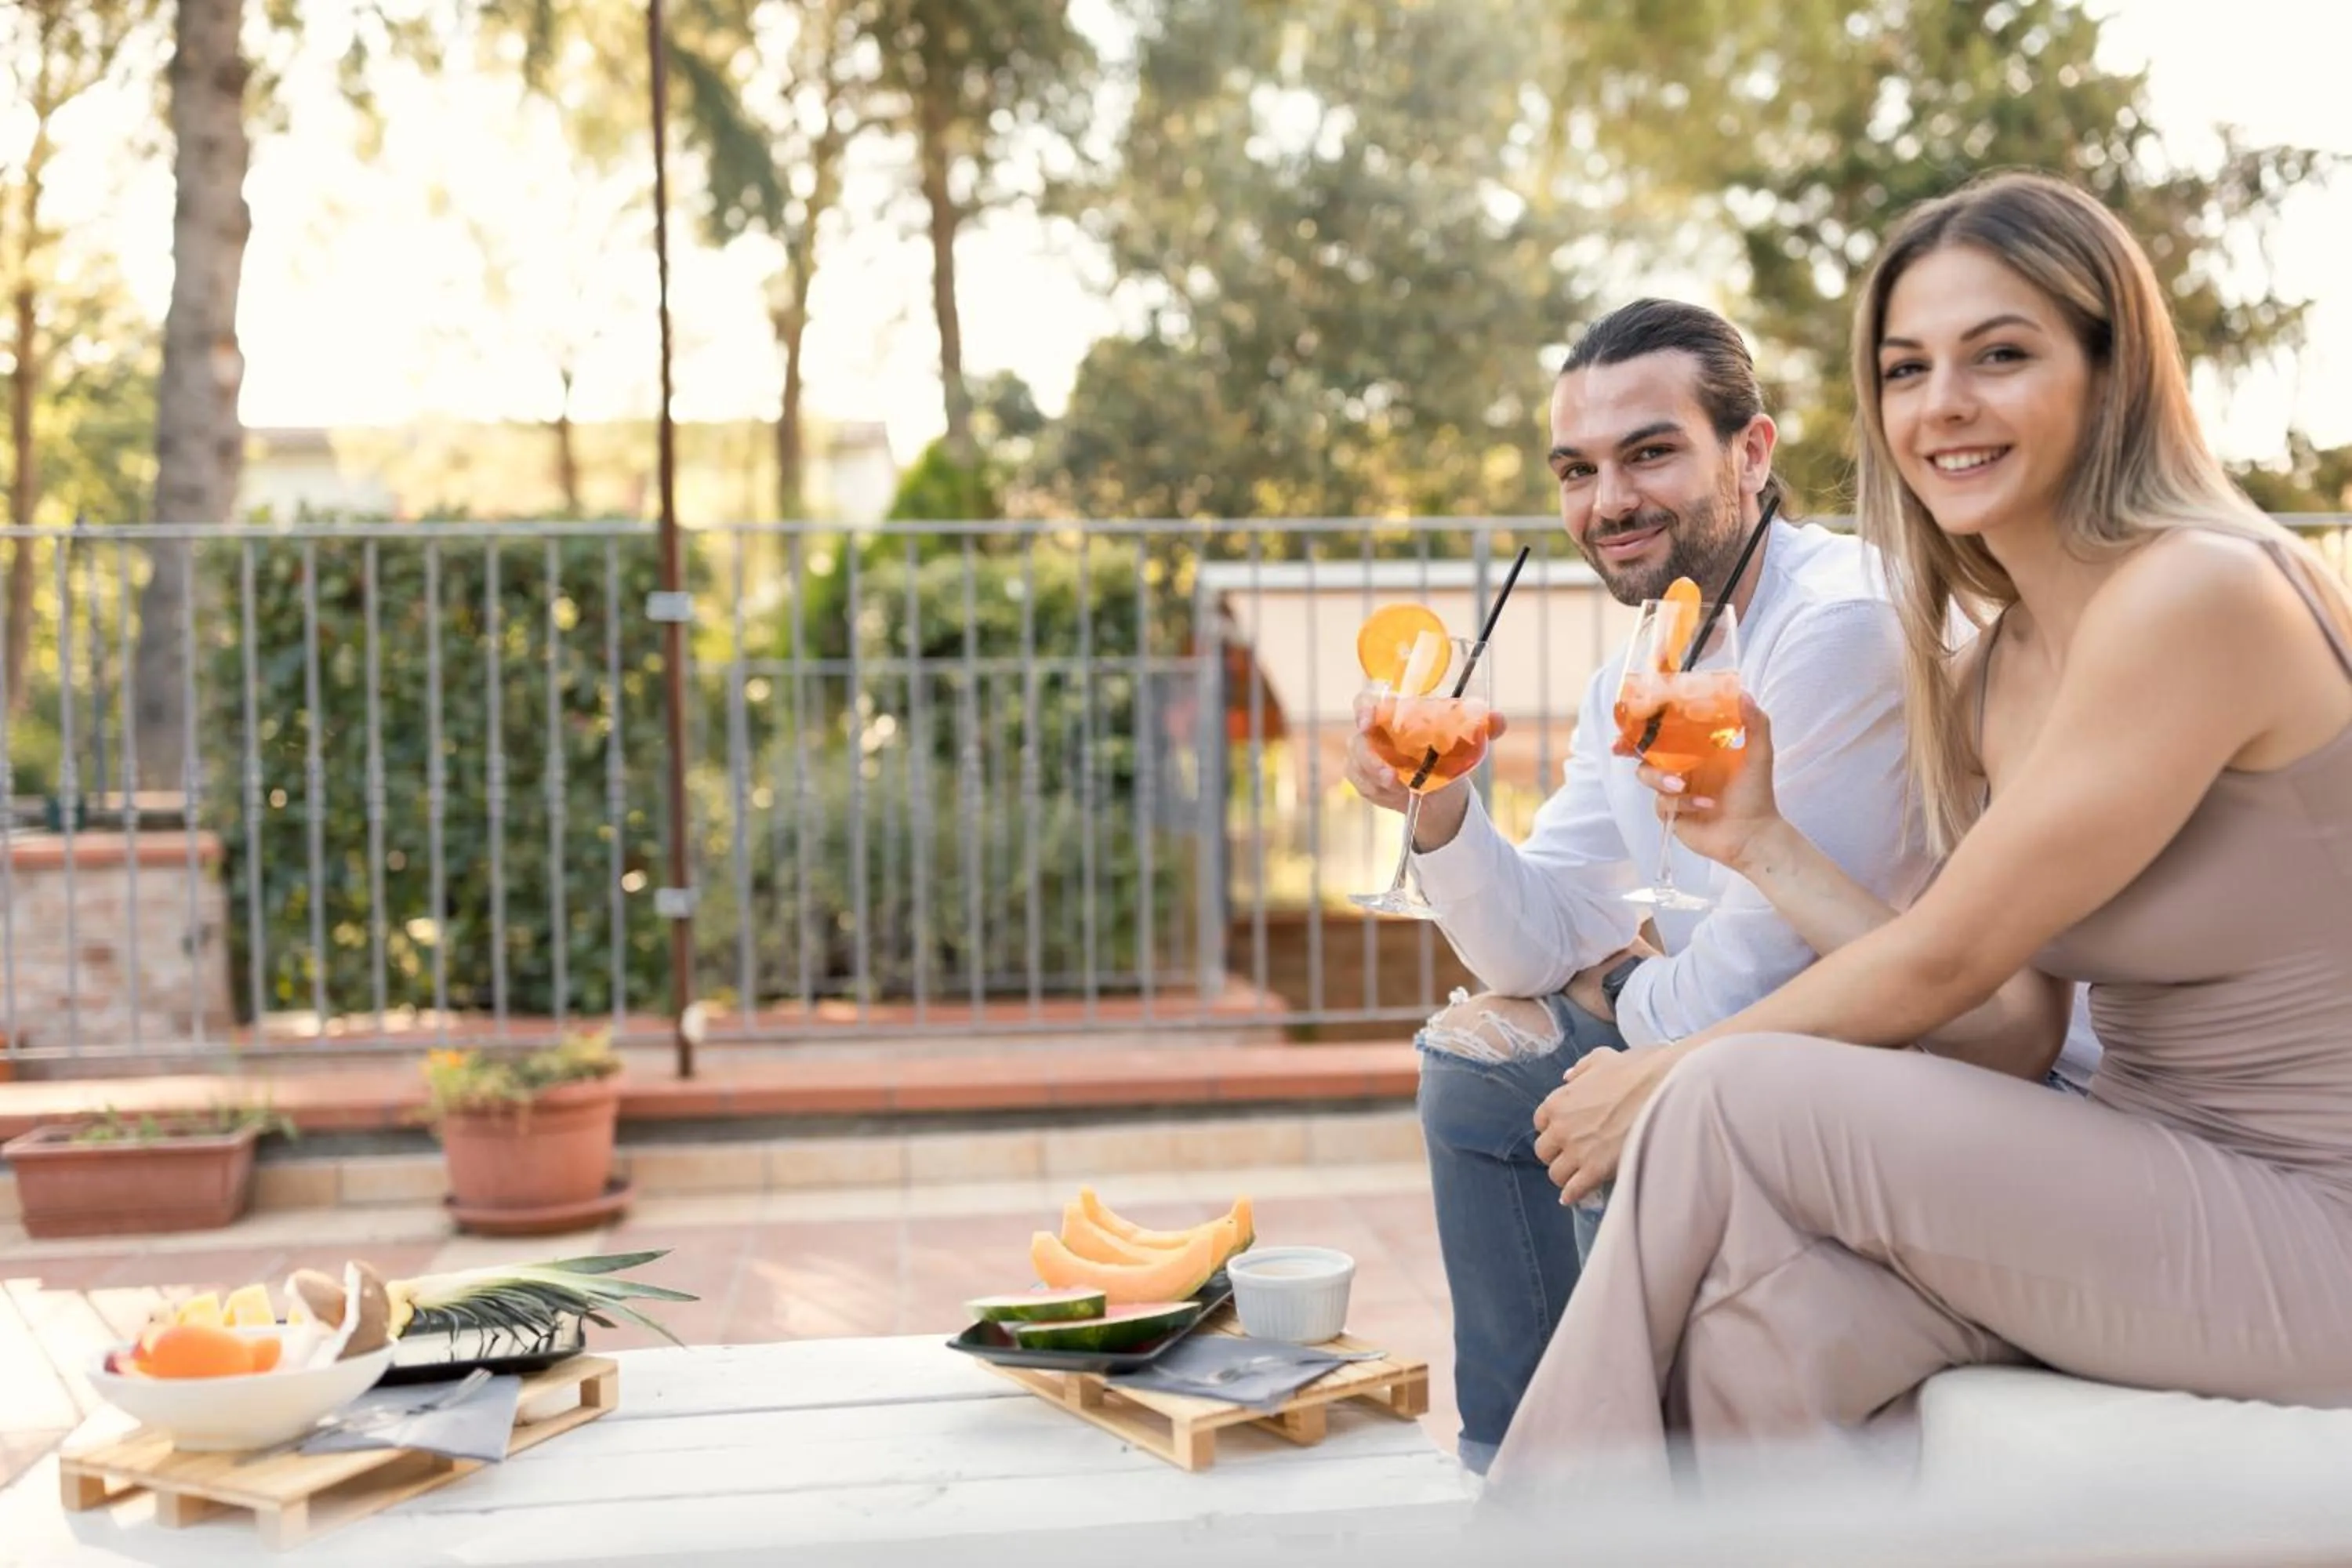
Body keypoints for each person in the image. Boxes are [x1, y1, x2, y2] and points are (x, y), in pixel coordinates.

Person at [1490, 169, 2352, 1498]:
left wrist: (1667, 1073)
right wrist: (1761, 842)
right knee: (1761, 1318)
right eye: (1905, 369)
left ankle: (1540, 1533)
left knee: (1730, 1098)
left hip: (2311, 1225)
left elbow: (1941, 962)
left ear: (2112, 373)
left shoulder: (2201, 592)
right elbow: (2005, 1027)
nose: (1941, 403)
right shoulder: (1999, 668)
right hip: (2143, 1164)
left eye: (1999, 355)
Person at [1346, 298, 2091, 1475]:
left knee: (1626, 1121)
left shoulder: (1839, 628)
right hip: (1785, 1047)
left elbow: (1754, 986)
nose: (1609, 502)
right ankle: (1514, 1471)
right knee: (1477, 1068)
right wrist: (1437, 807)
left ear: (1751, 452)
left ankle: (1637, 1491)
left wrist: (1616, 987)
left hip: (1946, 1068)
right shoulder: (1635, 669)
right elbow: (1533, 945)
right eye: (1577, 470)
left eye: (1650, 453)